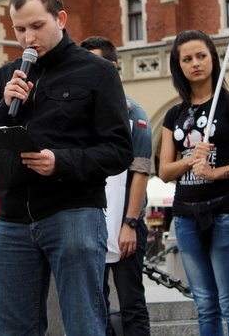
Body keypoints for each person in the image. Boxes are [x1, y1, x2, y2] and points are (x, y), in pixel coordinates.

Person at [0, 0, 133, 335]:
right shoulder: (6, 76)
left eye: (37, 26)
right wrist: (5, 105)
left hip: (73, 212)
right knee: (14, 329)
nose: (28, 38)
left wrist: (59, 162)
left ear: (60, 19)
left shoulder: (97, 72)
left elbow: (119, 149)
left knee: (83, 325)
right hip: (13, 219)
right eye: (19, 29)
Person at [159, 30, 229, 335]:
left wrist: (216, 172)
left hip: (226, 212)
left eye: (201, 56)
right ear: (179, 66)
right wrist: (191, 159)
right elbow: (164, 171)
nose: (195, 64)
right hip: (186, 215)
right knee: (204, 305)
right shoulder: (174, 114)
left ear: (213, 59)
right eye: (187, 59)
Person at [80, 36, 151, 336]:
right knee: (96, 306)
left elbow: (141, 172)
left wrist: (130, 223)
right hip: (89, 223)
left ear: (113, 68)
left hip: (125, 224)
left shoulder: (134, 113)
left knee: (131, 302)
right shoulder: (80, 113)